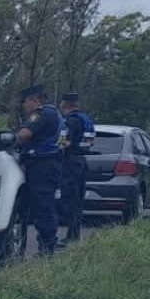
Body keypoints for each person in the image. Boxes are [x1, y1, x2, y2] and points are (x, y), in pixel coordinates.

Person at [15, 84, 65, 256]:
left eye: (25, 102)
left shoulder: (42, 114)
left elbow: (25, 134)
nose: (24, 106)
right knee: (46, 206)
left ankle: (47, 247)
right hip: (50, 164)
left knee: (43, 207)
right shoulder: (57, 115)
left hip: (41, 166)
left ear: (34, 100)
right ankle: (47, 245)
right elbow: (63, 143)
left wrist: (16, 139)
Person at [57, 92, 96, 243]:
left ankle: (72, 236)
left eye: (62, 102)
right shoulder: (85, 119)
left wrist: (56, 147)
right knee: (77, 200)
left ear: (66, 104)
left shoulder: (71, 121)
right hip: (81, 161)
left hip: (70, 163)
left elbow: (65, 143)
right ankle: (74, 234)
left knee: (69, 200)